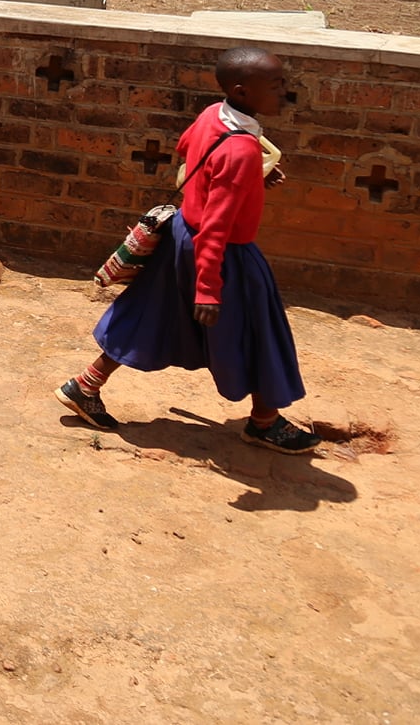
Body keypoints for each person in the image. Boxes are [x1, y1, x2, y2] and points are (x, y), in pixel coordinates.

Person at [55, 45, 322, 455]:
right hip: (223, 254)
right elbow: (218, 224)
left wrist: (251, 177)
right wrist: (208, 290)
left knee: (150, 313)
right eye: (275, 85)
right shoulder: (241, 149)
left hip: (182, 235)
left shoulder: (213, 115)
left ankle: (85, 385)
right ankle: (265, 422)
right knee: (260, 331)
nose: (284, 92)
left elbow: (186, 149)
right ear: (242, 91)